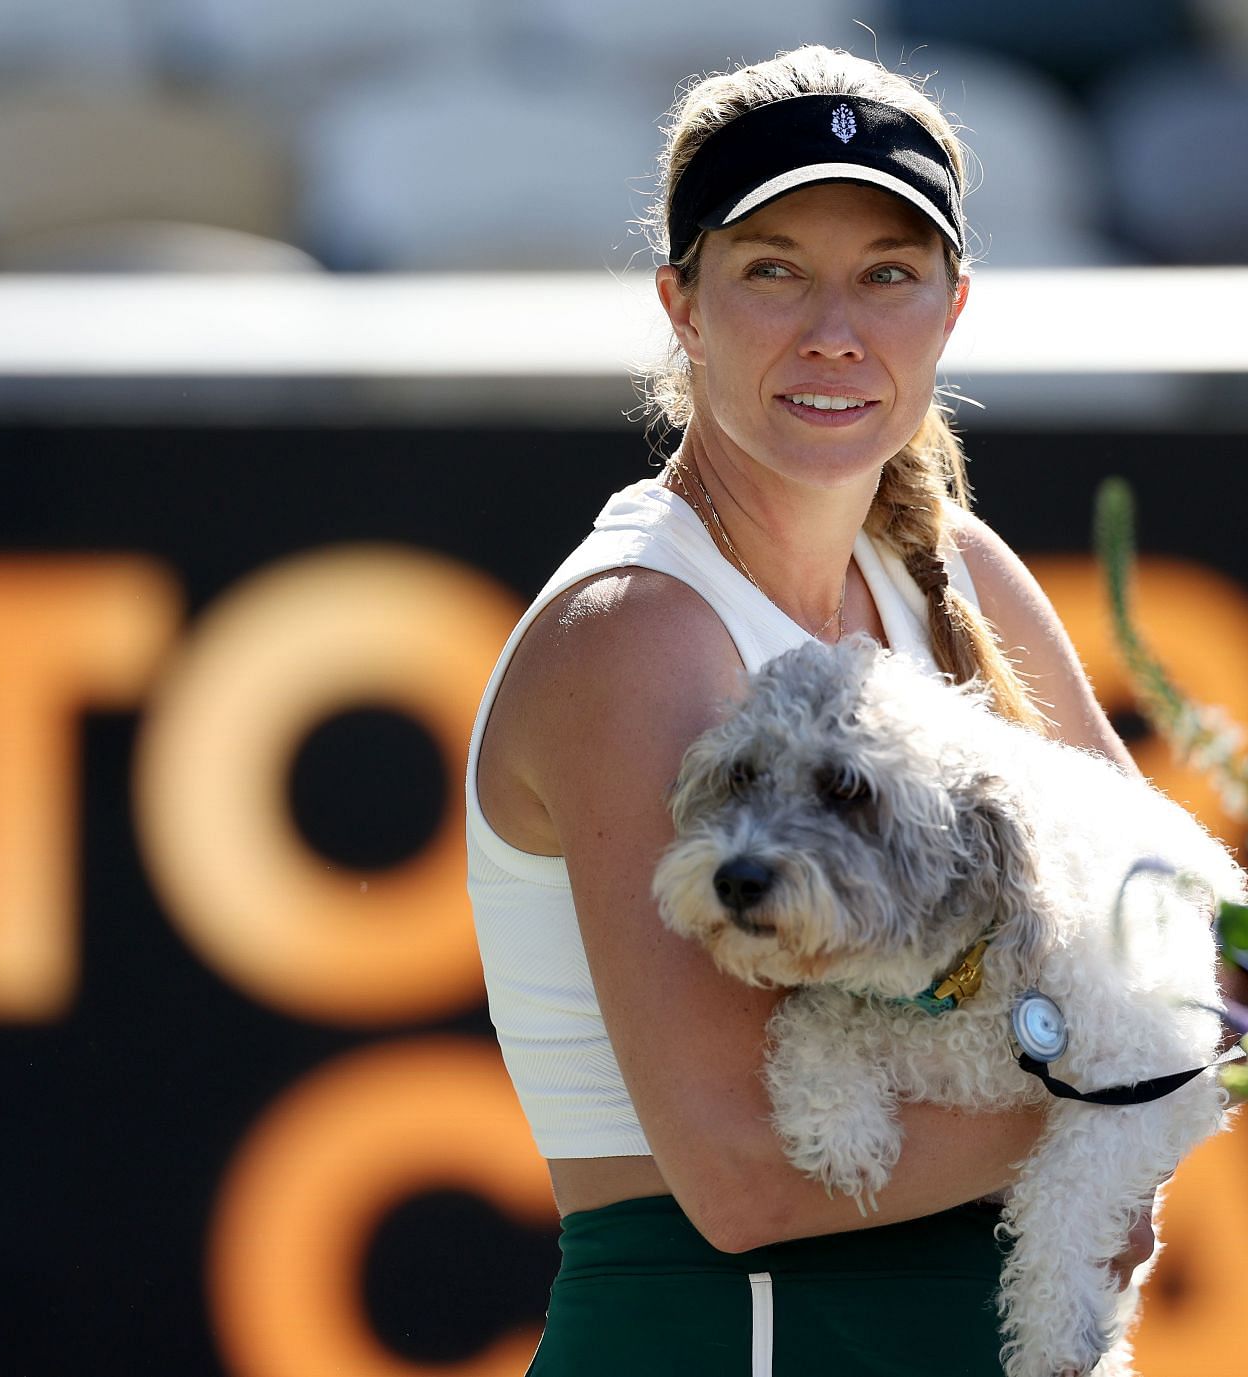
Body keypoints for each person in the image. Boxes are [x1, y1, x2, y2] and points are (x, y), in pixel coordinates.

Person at [466, 44, 1155, 1375]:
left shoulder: (956, 563)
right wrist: (1122, 1098)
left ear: (953, 308)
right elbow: (747, 1175)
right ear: (681, 302)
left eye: (887, 275)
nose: (834, 329)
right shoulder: (634, 630)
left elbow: (1168, 921)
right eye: (773, 269)